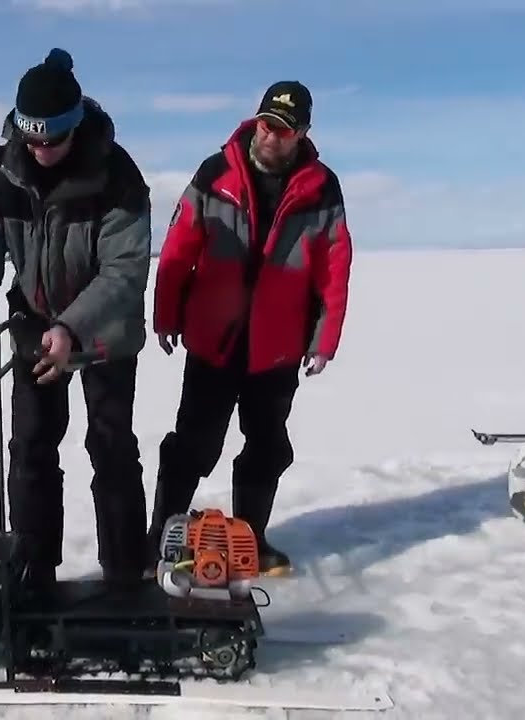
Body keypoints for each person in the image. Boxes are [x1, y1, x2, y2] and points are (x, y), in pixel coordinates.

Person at [0, 48, 154, 594]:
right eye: (31, 139)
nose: (40, 151)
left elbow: (125, 270)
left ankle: (126, 573)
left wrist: (73, 327)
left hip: (105, 330)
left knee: (111, 446)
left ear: (74, 127)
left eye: (52, 141)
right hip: (35, 326)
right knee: (31, 448)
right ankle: (34, 570)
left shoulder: (116, 176)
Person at [147, 80, 353, 576]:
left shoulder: (322, 187)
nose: (271, 137)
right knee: (194, 442)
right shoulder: (216, 173)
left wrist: (324, 338)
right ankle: (161, 534)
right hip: (214, 339)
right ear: (256, 121)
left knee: (266, 445)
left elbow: (334, 267)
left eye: (284, 130)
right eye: (267, 125)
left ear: (302, 133)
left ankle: (252, 539)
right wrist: (166, 313)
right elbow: (178, 251)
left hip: (277, 347)